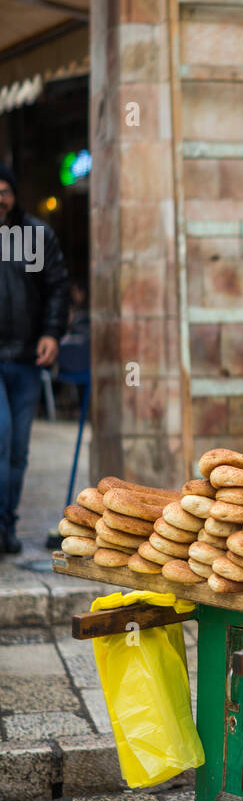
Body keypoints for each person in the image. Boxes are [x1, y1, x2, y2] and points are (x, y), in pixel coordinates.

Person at [0, 163, 70, 554]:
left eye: (4, 190)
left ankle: (6, 527)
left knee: (19, 451)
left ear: (14, 194)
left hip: (27, 359)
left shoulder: (35, 236)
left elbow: (58, 287)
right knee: (2, 437)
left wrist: (51, 333)